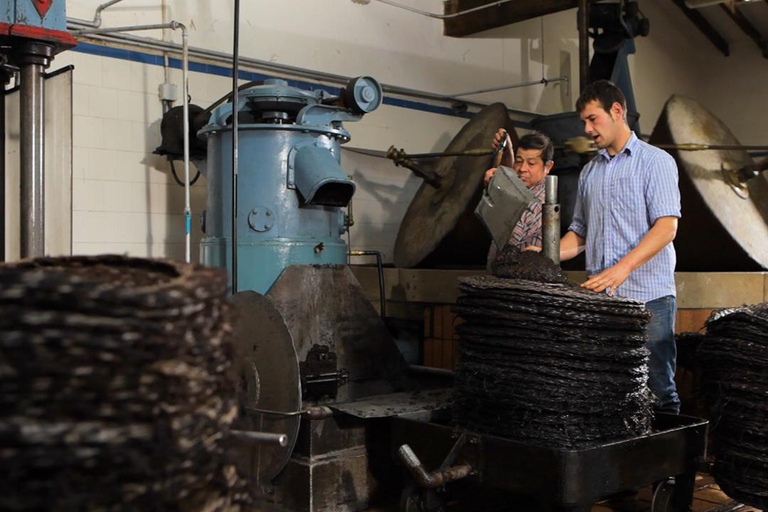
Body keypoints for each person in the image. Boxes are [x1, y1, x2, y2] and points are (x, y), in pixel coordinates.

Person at [560, 80, 682, 413]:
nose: (587, 128)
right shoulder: (589, 173)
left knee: (658, 388)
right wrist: (544, 252)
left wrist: (621, 270)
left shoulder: (655, 162)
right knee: (610, 389)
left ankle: (670, 466)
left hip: (649, 298)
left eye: (592, 119)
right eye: (584, 122)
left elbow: (666, 227)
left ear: (617, 111)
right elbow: (580, 233)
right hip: (605, 303)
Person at [484, 131, 555, 265]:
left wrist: (497, 192)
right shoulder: (519, 189)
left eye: (531, 163)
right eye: (519, 161)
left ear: (548, 166)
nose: (522, 168)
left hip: (524, 277)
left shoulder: (540, 202)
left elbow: (513, 240)